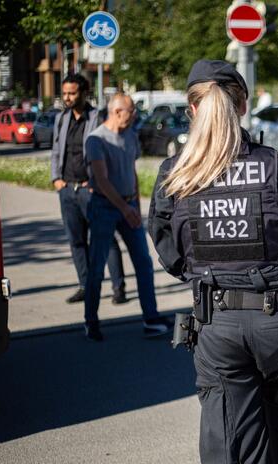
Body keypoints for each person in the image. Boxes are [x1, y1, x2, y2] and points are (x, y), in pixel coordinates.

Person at [148, 60, 278, 464]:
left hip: (219, 323)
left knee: (240, 441)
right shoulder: (276, 166)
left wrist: (206, 275)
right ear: (243, 105)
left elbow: (167, 245)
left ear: (191, 109)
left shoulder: (175, 173)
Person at [83, 93, 170, 341]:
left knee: (143, 262)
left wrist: (136, 207)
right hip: (105, 207)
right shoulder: (96, 140)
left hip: (128, 206)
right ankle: (91, 321)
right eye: (131, 110)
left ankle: (151, 318)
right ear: (117, 111)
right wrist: (125, 208)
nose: (134, 115)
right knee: (97, 267)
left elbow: (131, 171)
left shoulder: (130, 136)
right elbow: (101, 180)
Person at [50, 73, 126, 305]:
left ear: (83, 92)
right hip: (67, 189)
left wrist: (96, 182)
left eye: (72, 93)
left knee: (106, 239)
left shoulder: (98, 117)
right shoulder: (61, 119)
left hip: (92, 190)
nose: (67, 98)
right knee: (77, 241)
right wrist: (56, 179)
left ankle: (118, 288)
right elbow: (55, 151)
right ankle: (86, 285)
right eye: (64, 93)